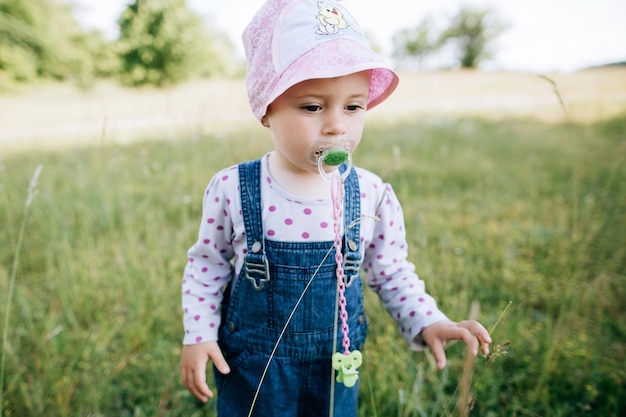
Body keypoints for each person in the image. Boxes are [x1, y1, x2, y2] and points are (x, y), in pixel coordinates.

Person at [179, 0, 492, 416]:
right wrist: (199, 334)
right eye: (312, 107)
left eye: (353, 106)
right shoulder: (234, 188)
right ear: (266, 108)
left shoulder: (371, 193)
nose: (336, 125)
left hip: (336, 365)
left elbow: (390, 269)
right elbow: (208, 265)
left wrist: (427, 320)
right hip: (255, 367)